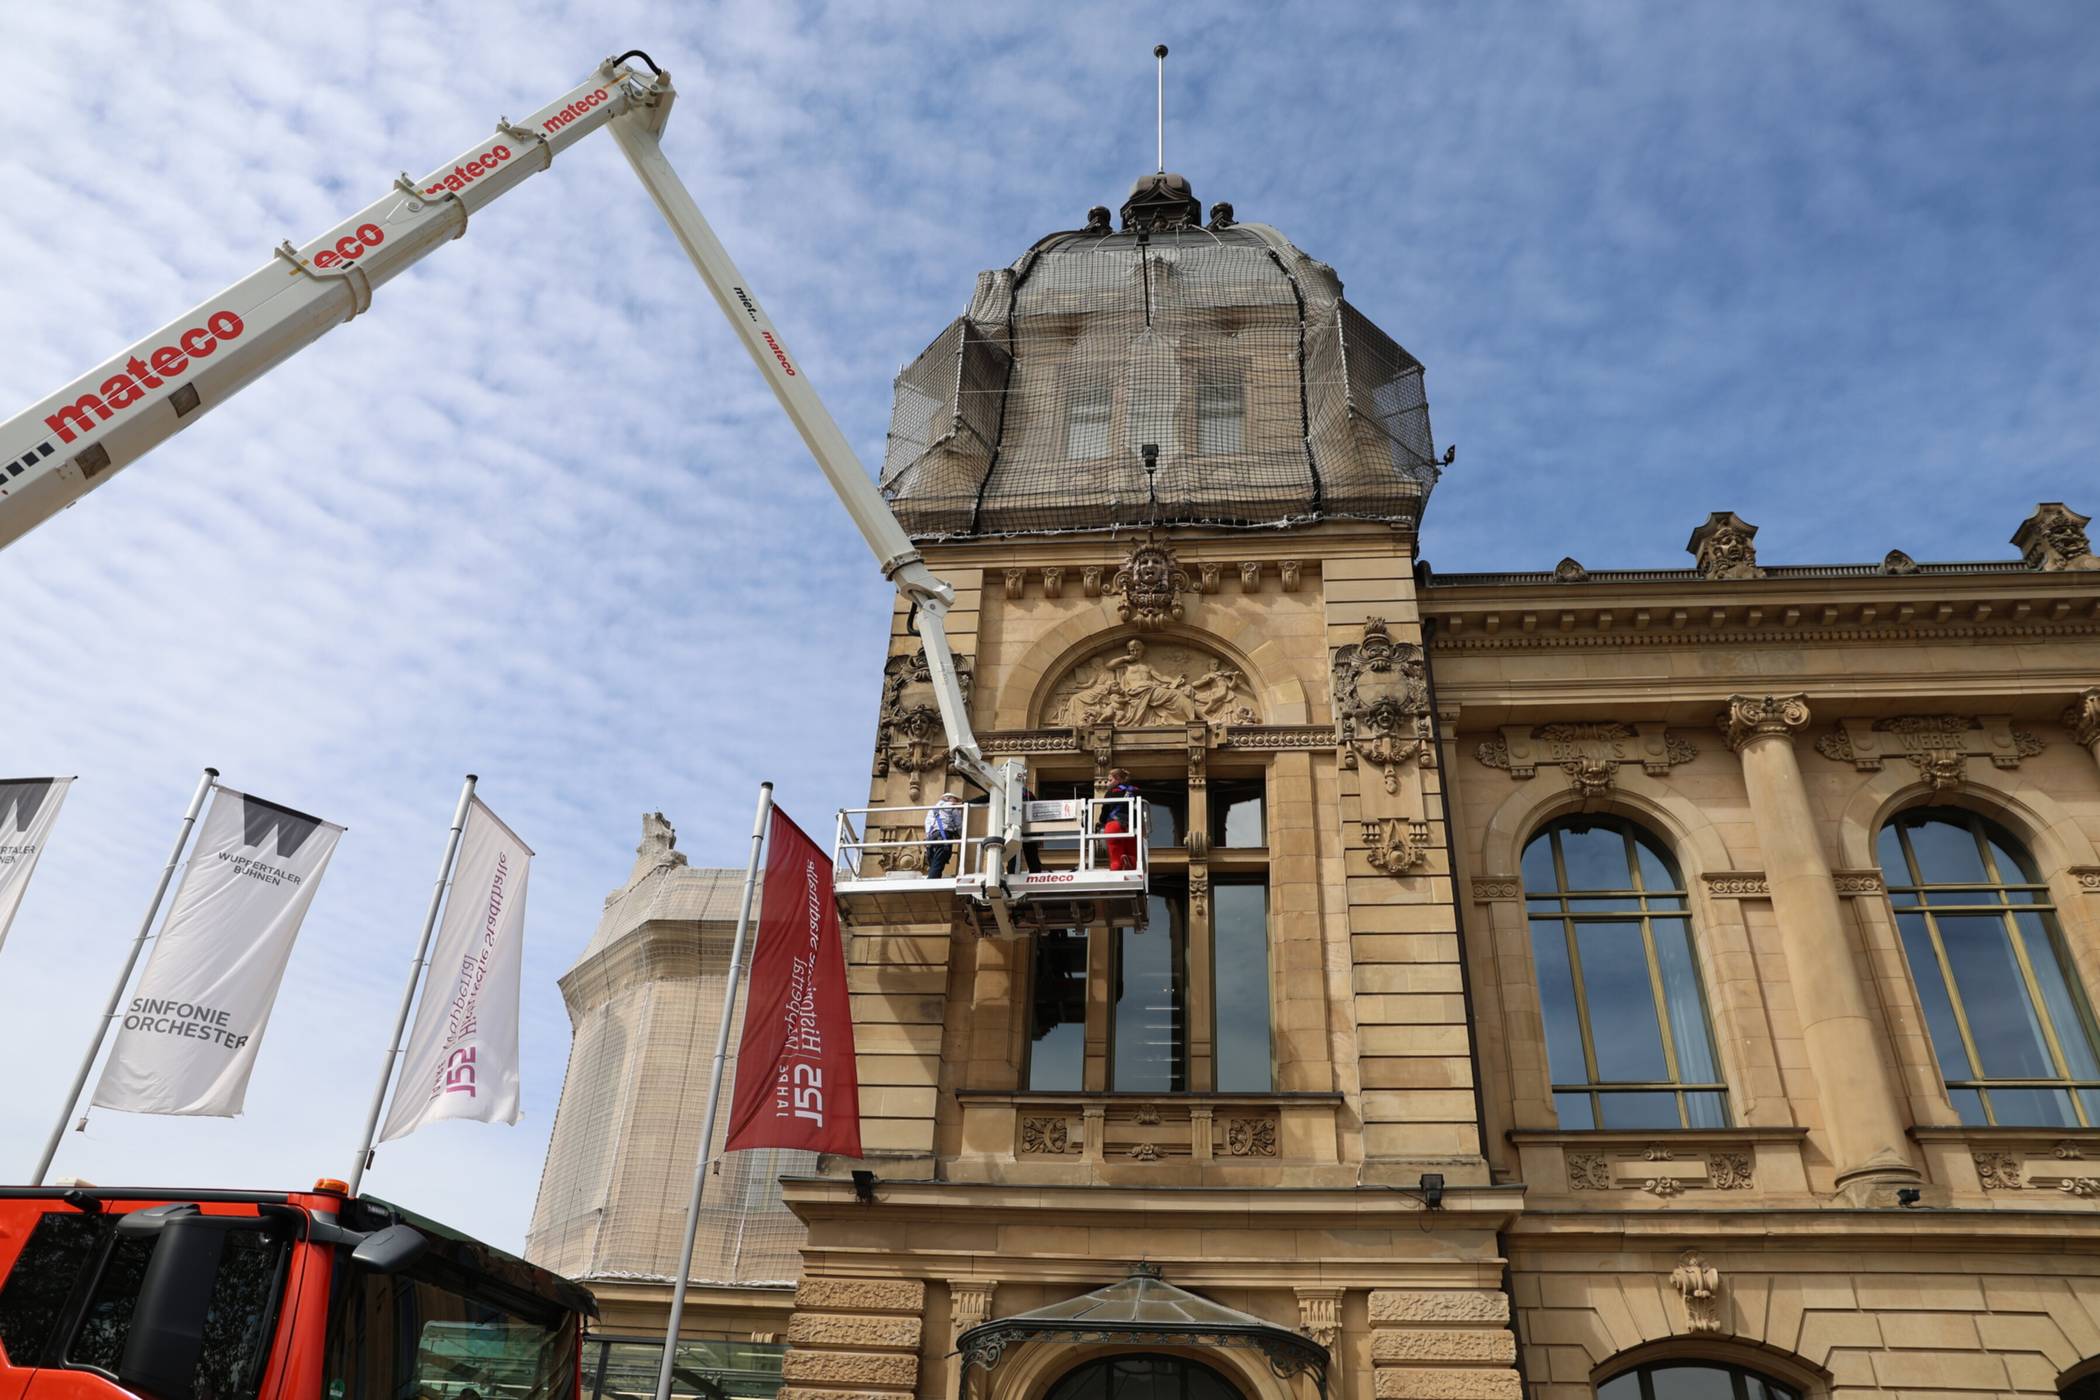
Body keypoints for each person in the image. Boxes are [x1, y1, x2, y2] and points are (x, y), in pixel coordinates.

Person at [1099, 769, 1140, 872]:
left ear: (1117, 780)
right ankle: (1128, 860)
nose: (1107, 783)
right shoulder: (1135, 790)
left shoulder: (1111, 792)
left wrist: (1102, 822)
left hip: (1114, 825)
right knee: (1132, 853)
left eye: (1110, 780)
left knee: (1115, 858)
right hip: (1132, 827)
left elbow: (1104, 812)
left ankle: (1117, 868)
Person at [924, 793, 964, 879]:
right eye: (955, 799)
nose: (956, 802)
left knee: (933, 863)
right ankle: (931, 884)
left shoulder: (933, 809)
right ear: (949, 799)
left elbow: (927, 825)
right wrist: (961, 836)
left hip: (931, 838)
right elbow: (959, 825)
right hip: (944, 837)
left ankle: (932, 879)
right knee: (938, 862)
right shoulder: (952, 808)